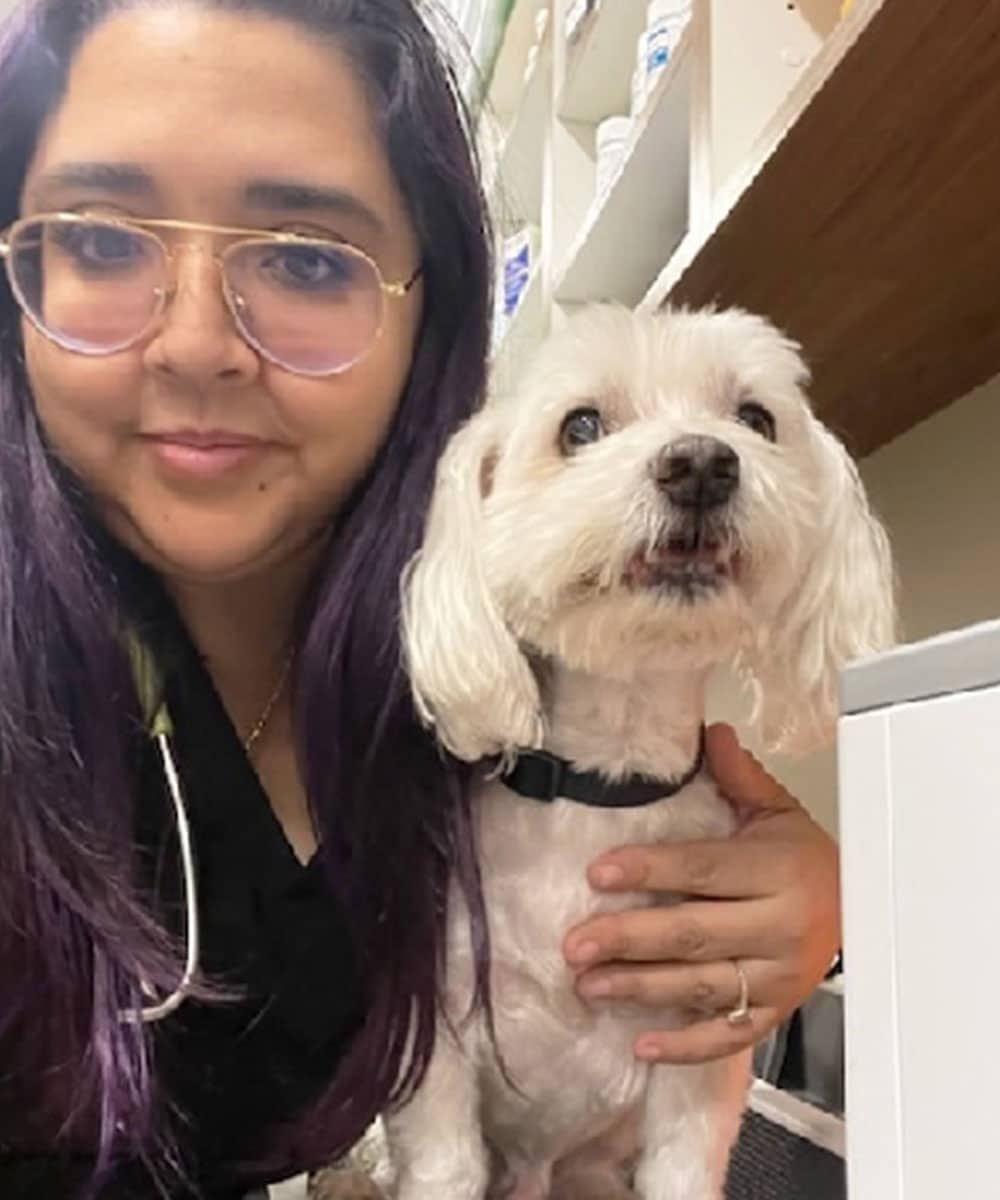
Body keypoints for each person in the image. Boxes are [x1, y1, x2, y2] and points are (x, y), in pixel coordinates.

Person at [0, 0, 841, 1196]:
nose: (194, 344)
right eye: (101, 238)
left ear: (434, 311)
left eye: (301, 257)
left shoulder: (461, 689)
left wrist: (808, 910)